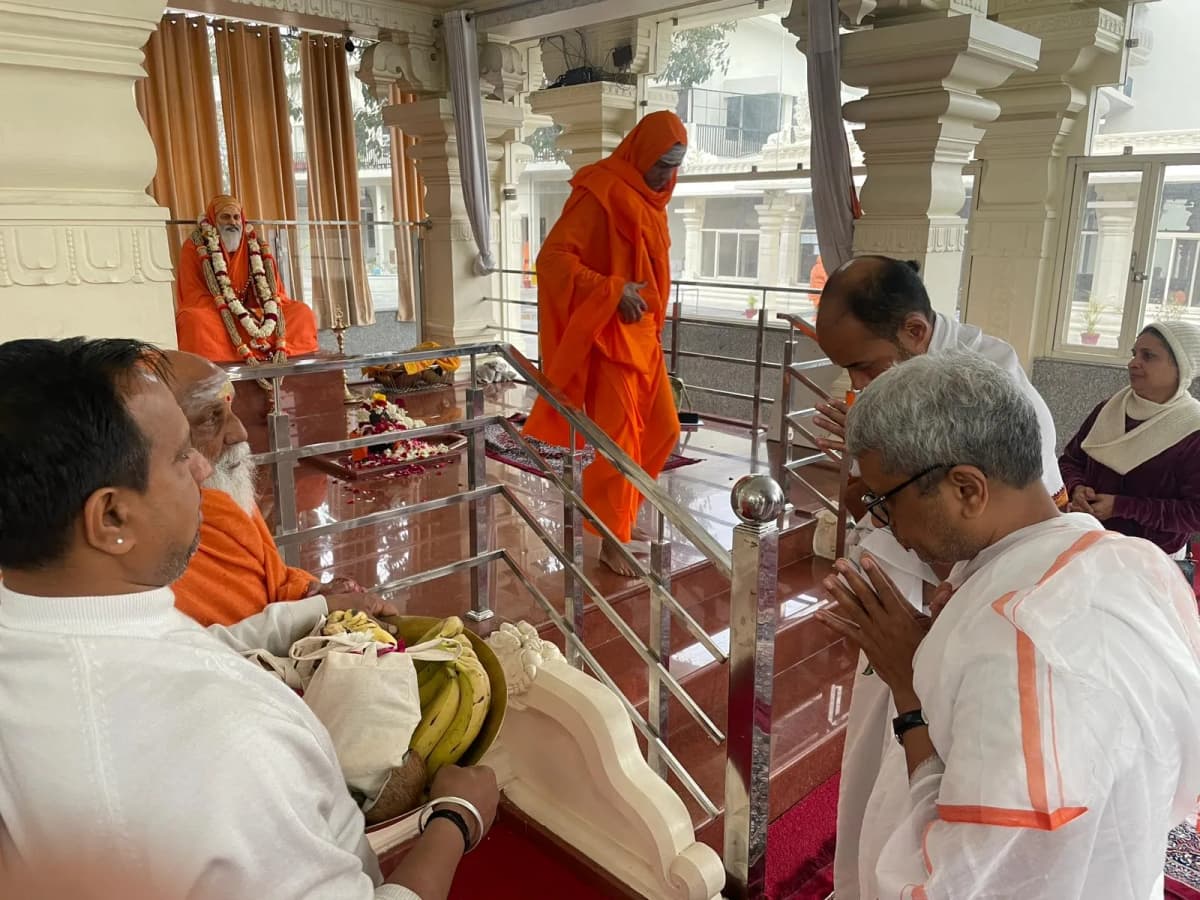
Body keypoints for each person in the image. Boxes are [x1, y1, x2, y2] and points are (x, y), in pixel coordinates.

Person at [0, 337, 498, 900]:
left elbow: (198, 644)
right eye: (180, 456)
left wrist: (316, 608)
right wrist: (455, 819)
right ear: (112, 516)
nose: (203, 466)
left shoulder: (42, 630)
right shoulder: (231, 740)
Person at [817, 350, 1200, 899]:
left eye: (886, 501)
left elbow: (954, 884)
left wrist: (910, 690)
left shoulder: (1014, 640)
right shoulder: (1135, 563)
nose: (885, 524)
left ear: (967, 489)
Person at [810, 255, 1067, 898]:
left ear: (916, 331)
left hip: (949, 610)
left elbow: (1005, 526)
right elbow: (898, 504)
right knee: (872, 763)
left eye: (864, 366)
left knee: (917, 775)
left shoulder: (997, 388)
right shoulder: (904, 377)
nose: (856, 384)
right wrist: (869, 489)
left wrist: (924, 650)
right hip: (917, 603)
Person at [522, 111, 687, 576]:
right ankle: (611, 541)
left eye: (674, 166)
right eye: (660, 165)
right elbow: (552, 260)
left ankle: (622, 517)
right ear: (639, 153)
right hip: (608, 339)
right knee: (618, 442)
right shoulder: (601, 191)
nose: (665, 176)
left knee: (662, 431)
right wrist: (612, 291)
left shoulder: (652, 203)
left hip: (643, 337)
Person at [164, 350, 395, 626]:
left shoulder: (222, 497)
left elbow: (274, 579)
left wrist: (314, 593)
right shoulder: (154, 545)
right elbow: (226, 641)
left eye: (231, 410)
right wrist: (314, 610)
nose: (240, 433)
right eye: (210, 418)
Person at [1059, 320, 1200, 556]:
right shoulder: (1109, 409)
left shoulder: (1193, 429)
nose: (1133, 363)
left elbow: (1195, 514)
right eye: (1134, 354)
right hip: (1090, 541)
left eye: (1148, 356)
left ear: (1181, 367)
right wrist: (1077, 488)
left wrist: (1121, 507)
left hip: (1152, 558)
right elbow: (1070, 461)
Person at [175, 194, 319, 365]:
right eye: (225, 217)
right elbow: (193, 293)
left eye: (236, 217)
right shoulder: (194, 246)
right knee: (194, 320)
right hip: (217, 311)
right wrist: (232, 310)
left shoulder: (257, 245)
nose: (232, 222)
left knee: (302, 313)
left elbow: (275, 292)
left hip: (258, 310)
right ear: (213, 219)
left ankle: (273, 349)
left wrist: (253, 312)